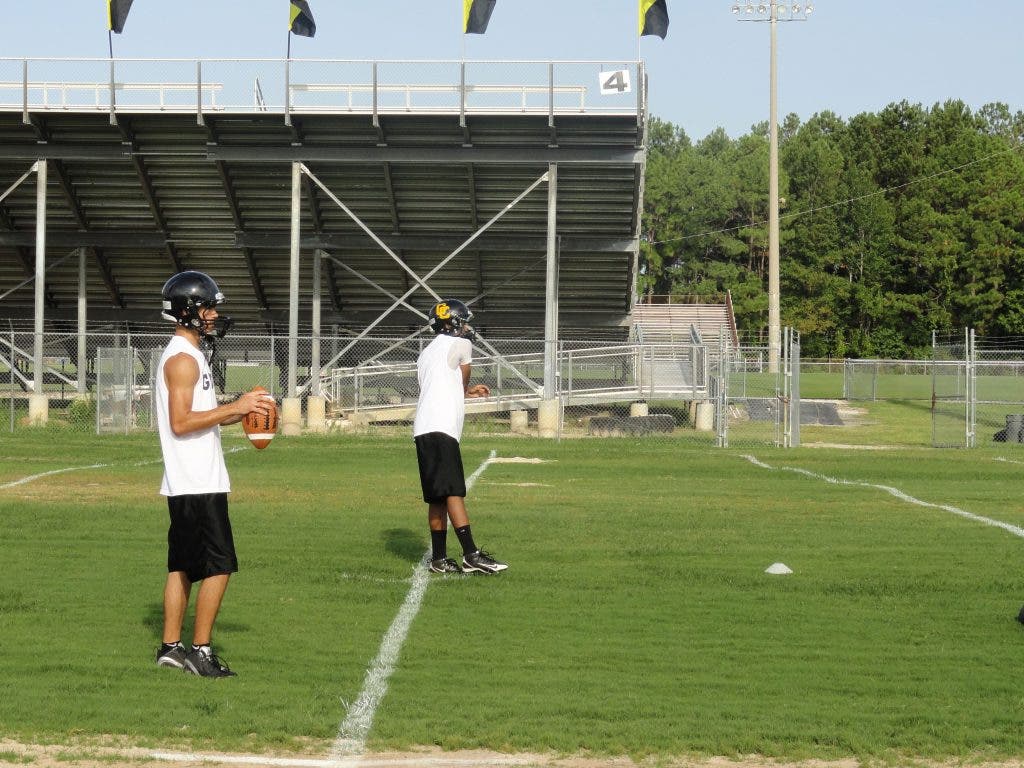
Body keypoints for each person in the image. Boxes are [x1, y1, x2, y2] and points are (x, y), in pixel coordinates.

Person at [153, 270, 273, 677]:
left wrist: (233, 411)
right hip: (197, 481)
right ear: (187, 311)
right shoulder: (183, 359)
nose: (214, 314)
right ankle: (201, 652)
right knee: (219, 566)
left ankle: (171, 647)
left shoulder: (188, 355)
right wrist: (235, 408)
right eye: (207, 306)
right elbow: (181, 422)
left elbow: (196, 417)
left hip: (187, 480)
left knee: (182, 567)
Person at [413, 298, 508, 575]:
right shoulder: (462, 345)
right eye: (463, 321)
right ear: (453, 321)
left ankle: (439, 559)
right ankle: (471, 554)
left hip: (423, 427)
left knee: (437, 497)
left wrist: (465, 392)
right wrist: (466, 389)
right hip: (442, 427)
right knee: (453, 491)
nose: (466, 326)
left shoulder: (426, 352)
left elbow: (440, 384)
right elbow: (462, 377)